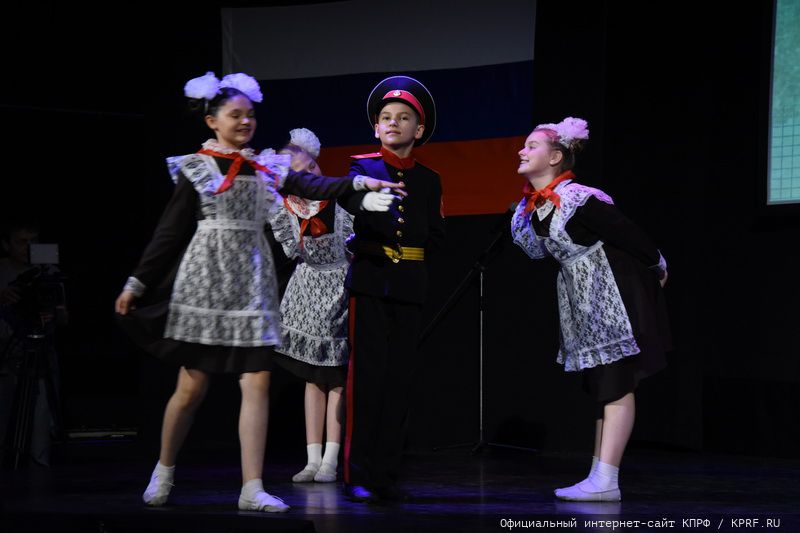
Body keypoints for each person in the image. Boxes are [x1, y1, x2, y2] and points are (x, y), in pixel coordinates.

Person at [114, 72, 403, 513]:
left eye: (250, 115)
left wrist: (363, 184)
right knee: (192, 385)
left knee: (257, 381)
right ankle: (165, 468)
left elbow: (314, 186)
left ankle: (252, 487)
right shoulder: (197, 167)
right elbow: (169, 233)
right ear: (212, 121)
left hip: (252, 282)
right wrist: (137, 282)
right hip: (207, 280)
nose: (245, 122)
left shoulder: (266, 166)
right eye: (235, 115)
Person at [510, 117, 671, 502]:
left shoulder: (578, 198)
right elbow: (539, 253)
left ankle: (606, 479)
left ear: (555, 157)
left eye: (532, 146)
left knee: (616, 382)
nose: (521, 151)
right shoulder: (533, 209)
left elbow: (626, 232)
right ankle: (599, 476)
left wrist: (657, 264)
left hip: (614, 293)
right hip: (583, 299)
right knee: (603, 385)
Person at [338, 76, 445, 503]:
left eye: (403, 118)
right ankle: (357, 473)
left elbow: (435, 235)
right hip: (371, 281)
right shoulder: (363, 167)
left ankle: (386, 471)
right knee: (367, 379)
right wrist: (366, 211)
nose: (393, 123)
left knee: (399, 380)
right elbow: (350, 199)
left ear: (419, 130)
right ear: (375, 128)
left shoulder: (430, 179)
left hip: (409, 285)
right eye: (386, 117)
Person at [268, 128, 352, 484]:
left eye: (308, 169)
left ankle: (331, 458)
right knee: (312, 376)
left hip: (340, 286)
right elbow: (292, 250)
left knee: (336, 377)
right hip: (307, 289)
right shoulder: (285, 208)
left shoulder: (340, 200)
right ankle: (312, 458)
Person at [0, 221, 62, 468]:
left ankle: (40, 465)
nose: (28, 248)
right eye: (21, 242)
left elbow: (64, 317)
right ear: (6, 244)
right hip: (5, 352)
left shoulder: (49, 271)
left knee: (41, 417)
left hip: (41, 352)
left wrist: (53, 313)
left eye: (33, 242)